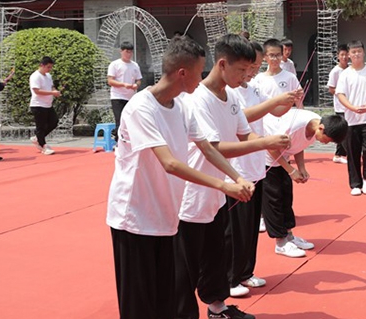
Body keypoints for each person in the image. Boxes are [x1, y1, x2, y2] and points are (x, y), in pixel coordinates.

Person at [106, 35, 254, 319]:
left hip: (165, 216)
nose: (201, 80)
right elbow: (170, 163)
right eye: (199, 73)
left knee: (165, 301)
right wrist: (224, 185)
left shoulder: (183, 107)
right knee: (139, 305)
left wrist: (236, 177)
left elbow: (207, 147)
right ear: (182, 73)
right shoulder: (141, 107)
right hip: (134, 218)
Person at [175, 34, 290, 319]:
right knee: (186, 263)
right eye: (242, 70)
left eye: (250, 69)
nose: (246, 75)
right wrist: (263, 143)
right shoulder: (198, 99)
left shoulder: (233, 95)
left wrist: (266, 140)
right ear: (222, 63)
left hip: (220, 189)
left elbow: (244, 132)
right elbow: (216, 148)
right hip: (195, 191)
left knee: (218, 254)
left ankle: (217, 308)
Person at [227, 41, 300, 298]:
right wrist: (275, 102)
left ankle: (246, 272)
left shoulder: (253, 89)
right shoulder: (230, 91)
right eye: (250, 66)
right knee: (235, 228)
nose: (252, 71)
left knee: (249, 227)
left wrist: (289, 101)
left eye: (255, 66)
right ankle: (230, 276)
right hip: (237, 170)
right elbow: (242, 118)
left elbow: (270, 113)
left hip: (255, 166)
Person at [262, 109, 348, 256]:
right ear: (321, 128)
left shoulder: (316, 125)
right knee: (274, 199)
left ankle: (289, 236)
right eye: (327, 140)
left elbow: (298, 145)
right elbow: (271, 147)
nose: (326, 143)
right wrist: (290, 170)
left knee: (286, 197)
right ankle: (280, 243)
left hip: (282, 157)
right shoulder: (292, 127)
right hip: (264, 159)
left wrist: (301, 168)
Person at [336, 40, 366, 196]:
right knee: (352, 152)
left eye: (359, 51)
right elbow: (340, 94)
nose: (356, 54)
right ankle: (355, 184)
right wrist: (351, 107)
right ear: (348, 55)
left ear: (364, 52)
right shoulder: (345, 74)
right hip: (351, 118)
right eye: (353, 52)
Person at [107, 41, 142, 138]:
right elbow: (110, 81)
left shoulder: (135, 65)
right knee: (120, 120)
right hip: (117, 96)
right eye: (127, 52)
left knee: (131, 120)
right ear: (121, 51)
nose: (129, 54)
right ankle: (118, 142)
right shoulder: (115, 64)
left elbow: (139, 80)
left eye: (131, 52)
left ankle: (129, 141)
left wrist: (136, 85)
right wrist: (123, 84)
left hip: (131, 97)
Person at [29, 56, 61, 155]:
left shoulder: (48, 76)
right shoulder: (35, 76)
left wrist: (54, 90)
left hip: (48, 104)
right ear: (41, 65)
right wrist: (52, 93)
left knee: (54, 122)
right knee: (40, 127)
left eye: (51, 67)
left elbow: (51, 86)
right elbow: (36, 91)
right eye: (48, 67)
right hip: (38, 104)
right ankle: (43, 146)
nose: (49, 69)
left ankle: (38, 138)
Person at [327, 44, 350, 164]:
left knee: (346, 130)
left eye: (346, 54)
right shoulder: (335, 71)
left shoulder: (351, 69)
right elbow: (331, 88)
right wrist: (342, 94)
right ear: (338, 56)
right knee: (343, 130)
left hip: (350, 106)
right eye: (342, 55)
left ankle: (342, 153)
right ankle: (340, 154)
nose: (345, 57)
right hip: (341, 106)